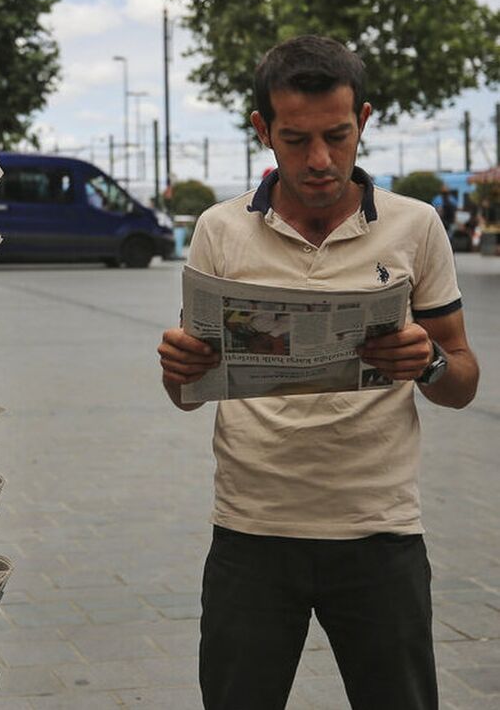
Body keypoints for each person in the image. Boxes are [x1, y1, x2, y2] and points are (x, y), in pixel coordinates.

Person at [157, 36, 479, 710]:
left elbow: (464, 381)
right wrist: (178, 367)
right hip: (251, 532)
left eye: (337, 135)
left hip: (380, 531)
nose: (321, 161)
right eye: (296, 140)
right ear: (263, 131)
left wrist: (429, 362)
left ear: (363, 120)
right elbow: (189, 393)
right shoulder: (220, 229)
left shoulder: (415, 227)